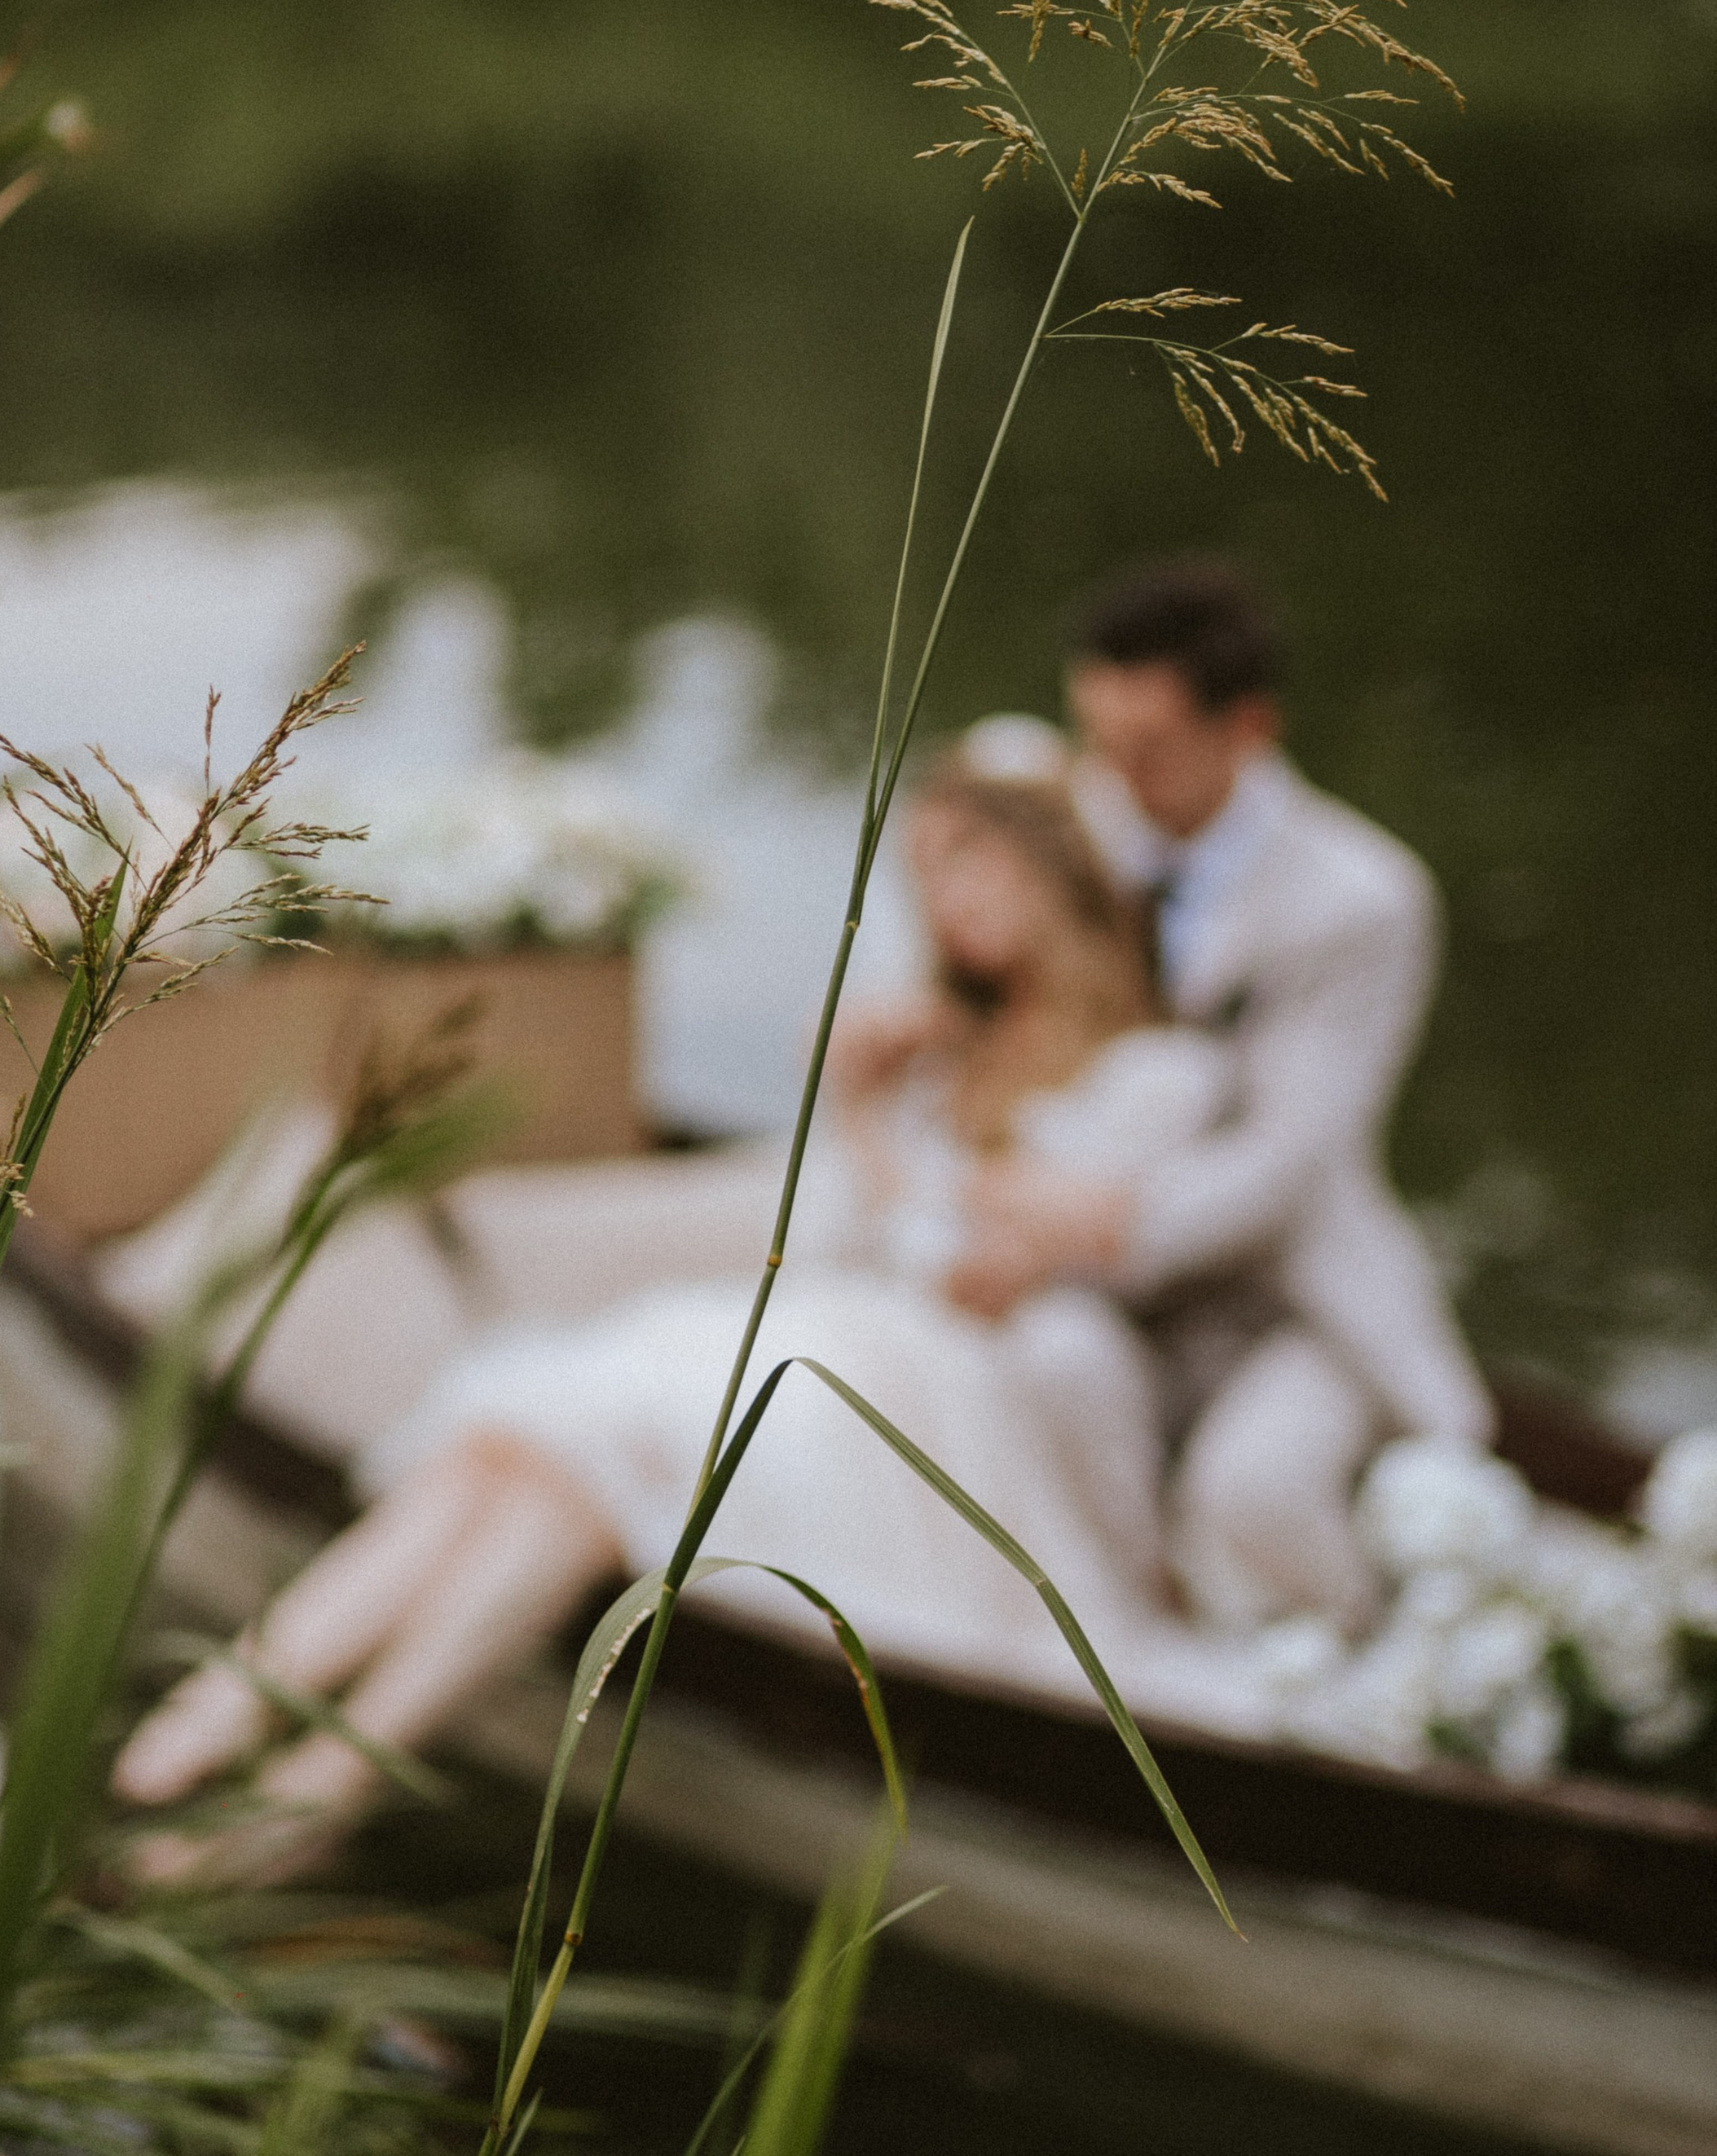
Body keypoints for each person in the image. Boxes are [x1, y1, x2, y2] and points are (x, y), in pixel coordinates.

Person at [111, 754, 1270, 1881]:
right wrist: (864, 1106)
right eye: (931, 874)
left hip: (942, 1393)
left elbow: (982, 1270)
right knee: (513, 1448)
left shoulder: (1150, 1074)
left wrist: (900, 1145)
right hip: (843, 1327)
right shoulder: (944, 1052)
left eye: (974, 864)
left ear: (1052, 869)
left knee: (585, 1474)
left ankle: (310, 1788)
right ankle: (231, 1714)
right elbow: (878, 1229)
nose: (951, 903)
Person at [934, 557, 1490, 1634]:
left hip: (1293, 1290)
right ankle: (1138, 1636)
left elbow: (1292, 1155)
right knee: (1046, 1366)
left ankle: (1383, 1696)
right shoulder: (1077, 822)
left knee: (1255, 1492)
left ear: (1249, 729)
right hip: (1102, 1285)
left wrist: (1088, 1227)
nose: (1109, 775)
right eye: (1095, 737)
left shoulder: (1361, 901)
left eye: (1147, 750)